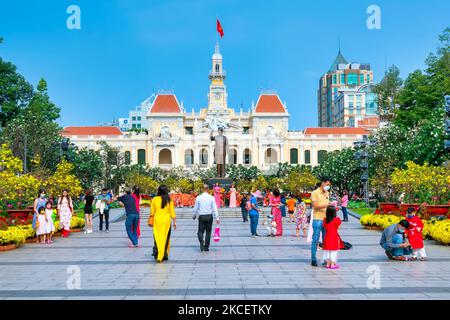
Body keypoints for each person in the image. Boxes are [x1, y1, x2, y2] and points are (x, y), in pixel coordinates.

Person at [149, 185, 177, 261]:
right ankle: (164, 255)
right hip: (166, 220)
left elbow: (152, 212)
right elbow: (172, 212)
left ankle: (157, 254)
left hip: (157, 220)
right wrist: (174, 222)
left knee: (157, 237)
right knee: (166, 237)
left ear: (158, 191)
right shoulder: (169, 199)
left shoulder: (154, 199)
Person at [310, 177, 332, 267]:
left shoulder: (327, 193)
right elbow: (315, 206)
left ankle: (325, 259)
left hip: (326, 219)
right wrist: (327, 204)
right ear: (323, 183)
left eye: (329, 185)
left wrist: (332, 207)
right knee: (315, 240)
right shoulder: (315, 193)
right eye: (327, 184)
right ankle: (313, 259)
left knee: (326, 241)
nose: (328, 186)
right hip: (318, 218)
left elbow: (327, 204)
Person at [193, 184, 220, 252]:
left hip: (201, 216)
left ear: (202, 189)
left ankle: (201, 241)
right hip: (209, 216)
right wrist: (217, 218)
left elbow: (195, 208)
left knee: (200, 231)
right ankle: (206, 247)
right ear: (208, 189)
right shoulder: (211, 198)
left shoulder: (198, 197)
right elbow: (214, 208)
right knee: (208, 232)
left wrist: (194, 215)